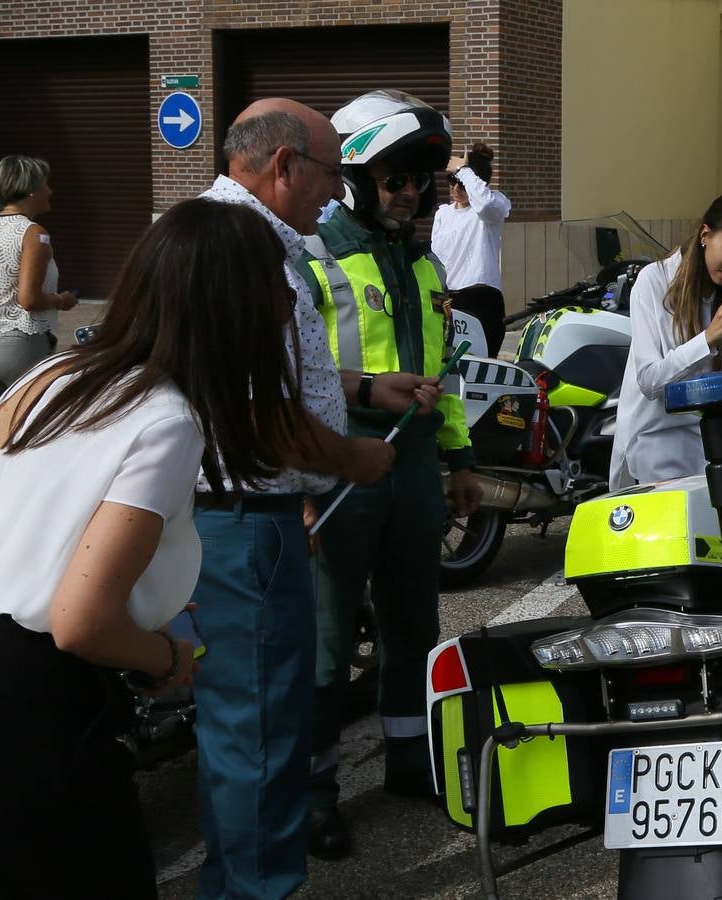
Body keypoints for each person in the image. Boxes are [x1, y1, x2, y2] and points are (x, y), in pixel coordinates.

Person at [0, 197, 307, 899]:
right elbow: (81, 621)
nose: (289, 307)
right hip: (11, 707)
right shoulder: (165, 417)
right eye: (280, 290)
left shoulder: (57, 373)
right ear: (236, 307)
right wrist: (169, 659)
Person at [193, 98, 438, 900]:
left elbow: (292, 377)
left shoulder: (281, 245)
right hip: (280, 497)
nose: (339, 194)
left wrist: (368, 388)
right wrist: (337, 465)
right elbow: (259, 406)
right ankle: (284, 842)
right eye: (339, 174)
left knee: (396, 633)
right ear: (287, 167)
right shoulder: (245, 250)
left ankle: (399, 763)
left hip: (341, 474)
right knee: (275, 704)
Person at [300, 89, 484, 860]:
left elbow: (439, 367)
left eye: (419, 178)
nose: (408, 192)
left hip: (410, 461)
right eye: (393, 177)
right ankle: (313, 791)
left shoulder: (424, 258)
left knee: (415, 619)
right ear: (350, 176)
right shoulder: (310, 258)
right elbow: (295, 377)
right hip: (339, 459)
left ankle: (409, 757)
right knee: (327, 635)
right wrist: (306, 484)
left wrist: (460, 457)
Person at [608, 192, 722, 490]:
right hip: (659, 442)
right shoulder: (655, 281)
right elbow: (650, 381)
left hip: (720, 440)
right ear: (705, 234)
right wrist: (708, 338)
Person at [0, 154, 77, 441]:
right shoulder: (33, 233)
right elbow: (29, 299)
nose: (51, 190)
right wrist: (61, 300)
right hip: (17, 344)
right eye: (46, 184)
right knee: (31, 426)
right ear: (32, 189)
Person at [432, 142, 511, 357]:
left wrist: (463, 170)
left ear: (477, 182)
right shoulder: (443, 214)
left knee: (482, 364)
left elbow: (484, 204)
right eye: (452, 181)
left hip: (481, 298)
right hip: (448, 300)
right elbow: (436, 258)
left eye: (463, 183)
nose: (456, 189)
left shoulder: (494, 206)